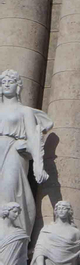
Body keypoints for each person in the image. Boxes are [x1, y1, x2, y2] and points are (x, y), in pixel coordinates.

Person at [0, 70, 52, 239]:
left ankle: (13, 234)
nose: (7, 84)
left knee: (10, 190)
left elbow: (33, 139)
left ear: (18, 86)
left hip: (14, 153)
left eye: (11, 81)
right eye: (4, 81)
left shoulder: (25, 111)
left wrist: (38, 165)